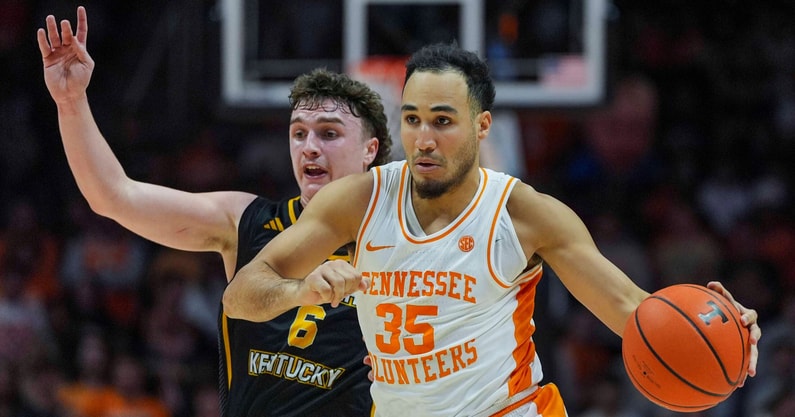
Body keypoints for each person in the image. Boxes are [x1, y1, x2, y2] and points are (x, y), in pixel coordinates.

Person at [224, 42, 762, 416]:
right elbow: (241, 296)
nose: (423, 139)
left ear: (482, 126)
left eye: (442, 120)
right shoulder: (359, 201)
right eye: (411, 119)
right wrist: (299, 290)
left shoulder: (524, 215)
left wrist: (723, 333)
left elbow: (632, 310)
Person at [37, 6, 392, 417]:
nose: (309, 146)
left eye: (329, 133)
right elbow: (114, 197)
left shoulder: (398, 239)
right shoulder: (246, 220)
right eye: (298, 133)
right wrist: (70, 102)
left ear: (371, 150)